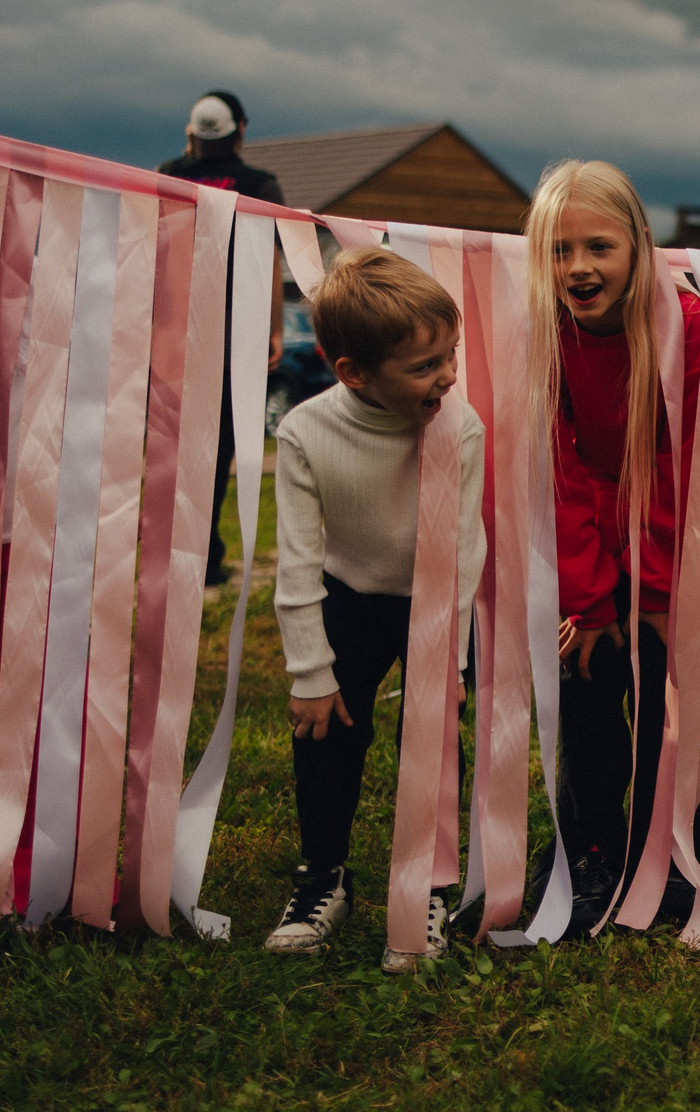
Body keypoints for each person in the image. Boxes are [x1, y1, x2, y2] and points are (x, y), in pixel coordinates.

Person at [263, 248, 485, 972]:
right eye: (424, 366)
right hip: (347, 599)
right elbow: (295, 563)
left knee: (431, 743)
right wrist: (310, 670)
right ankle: (322, 876)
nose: (446, 376)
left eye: (448, 355)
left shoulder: (463, 426)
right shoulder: (304, 433)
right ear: (353, 370)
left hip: (430, 606)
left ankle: (424, 882)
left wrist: (449, 658)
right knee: (327, 737)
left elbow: (464, 550)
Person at [525, 160, 700, 936]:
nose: (578, 268)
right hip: (584, 532)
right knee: (590, 670)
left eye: (598, 246)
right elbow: (560, 466)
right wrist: (590, 598)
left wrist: (661, 594)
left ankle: (672, 850)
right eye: (560, 250)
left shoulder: (686, 323)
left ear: (639, 245)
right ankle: (591, 850)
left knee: (664, 694)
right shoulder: (546, 326)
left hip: (667, 529)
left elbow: (685, 465)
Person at [156, 90, 286, 587]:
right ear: (242, 131)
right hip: (235, 336)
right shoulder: (257, 185)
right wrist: (273, 328)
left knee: (174, 446)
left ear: (191, 134)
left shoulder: (167, 174)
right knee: (219, 448)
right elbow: (268, 258)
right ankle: (205, 557)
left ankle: (173, 553)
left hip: (175, 332)